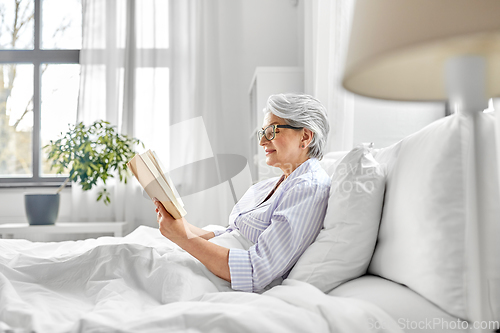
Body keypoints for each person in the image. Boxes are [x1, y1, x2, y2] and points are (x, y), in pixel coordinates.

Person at [153, 93, 331, 293]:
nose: (262, 141)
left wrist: (182, 238)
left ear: (305, 137)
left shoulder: (308, 188)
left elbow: (255, 270)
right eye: (262, 132)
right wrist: (182, 228)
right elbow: (233, 233)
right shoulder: (274, 184)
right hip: (210, 263)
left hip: (220, 278)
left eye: (271, 131)